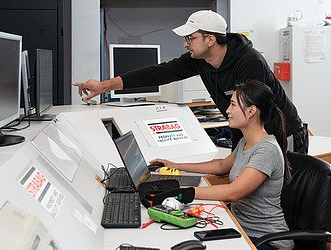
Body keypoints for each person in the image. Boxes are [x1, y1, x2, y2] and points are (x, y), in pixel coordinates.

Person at [73, 10, 308, 154]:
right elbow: (157, 73)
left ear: (210, 40)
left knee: (284, 201)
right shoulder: (199, 61)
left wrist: (238, 156)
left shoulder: (249, 62)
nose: (185, 43)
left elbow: (253, 117)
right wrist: (104, 86)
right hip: (249, 136)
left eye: (190, 38)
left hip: (280, 135)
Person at [151, 81, 294, 250]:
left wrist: (185, 192)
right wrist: (175, 165)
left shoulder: (266, 150)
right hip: (240, 227)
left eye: (233, 105)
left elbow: (233, 192)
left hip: (265, 239)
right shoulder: (245, 142)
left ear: (251, 111)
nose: (228, 110)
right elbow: (220, 166)